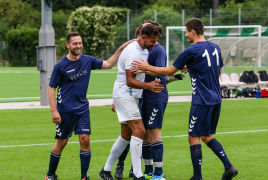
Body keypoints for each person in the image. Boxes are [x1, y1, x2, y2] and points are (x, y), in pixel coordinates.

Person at [131, 18, 238, 180]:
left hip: (201, 100)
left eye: (187, 32)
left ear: (193, 31)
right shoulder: (215, 47)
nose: (186, 35)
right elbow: (218, 72)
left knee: (193, 137)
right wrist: (195, 66)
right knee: (206, 135)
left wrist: (146, 68)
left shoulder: (191, 51)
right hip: (217, 98)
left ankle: (197, 177)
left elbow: (168, 71)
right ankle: (229, 167)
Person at [44, 32, 133, 180]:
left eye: (80, 43)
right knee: (62, 141)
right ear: (68, 45)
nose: (78, 46)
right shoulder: (60, 66)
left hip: (83, 108)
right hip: (65, 110)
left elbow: (109, 64)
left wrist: (121, 49)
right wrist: (54, 111)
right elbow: (51, 88)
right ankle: (50, 175)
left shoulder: (88, 60)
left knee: (85, 139)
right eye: (75, 43)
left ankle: (84, 177)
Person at [98, 23, 164, 180]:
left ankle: (105, 171)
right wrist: (149, 86)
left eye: (156, 41)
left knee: (125, 136)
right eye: (152, 42)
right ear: (143, 37)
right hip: (126, 94)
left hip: (129, 95)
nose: (154, 45)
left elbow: (145, 70)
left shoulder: (142, 48)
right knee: (140, 131)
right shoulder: (134, 51)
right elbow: (129, 81)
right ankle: (137, 173)